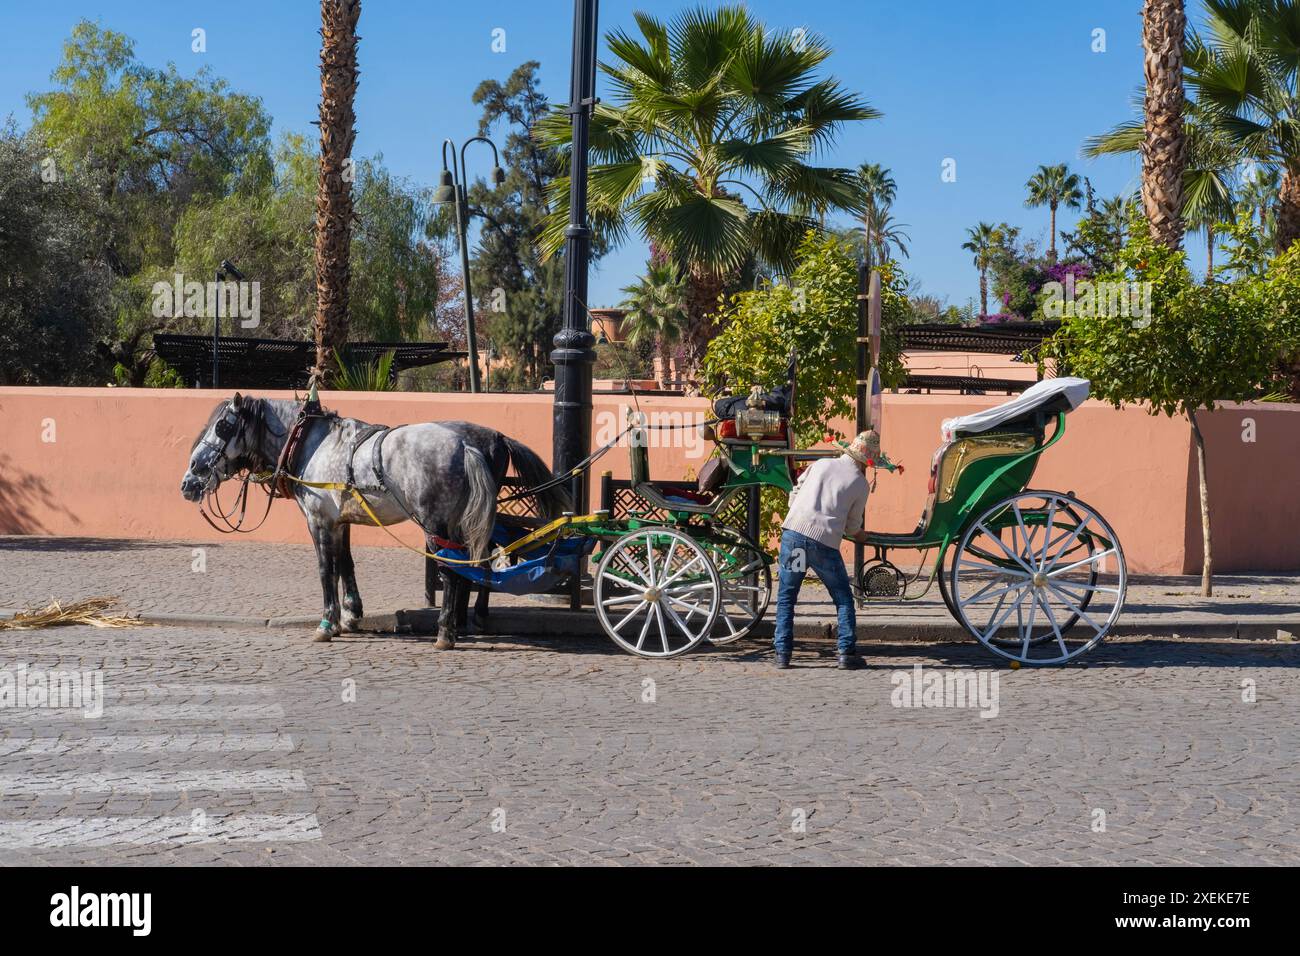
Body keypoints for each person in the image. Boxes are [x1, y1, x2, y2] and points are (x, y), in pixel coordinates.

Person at [773, 430, 878, 670]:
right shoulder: (860, 484)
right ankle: (846, 652)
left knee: (787, 597)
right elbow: (852, 528)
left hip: (794, 537)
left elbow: (795, 491)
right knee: (842, 599)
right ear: (867, 462)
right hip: (823, 545)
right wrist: (863, 536)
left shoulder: (821, 464)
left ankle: (782, 654)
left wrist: (800, 510)